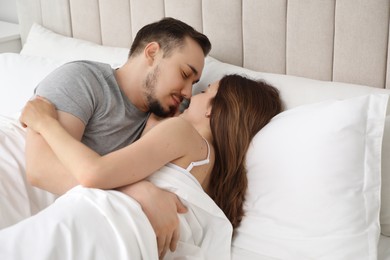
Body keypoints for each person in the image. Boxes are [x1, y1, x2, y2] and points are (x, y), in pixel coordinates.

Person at [13, 74, 282, 259]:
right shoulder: (212, 177)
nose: (191, 96)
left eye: (204, 91)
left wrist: (45, 123)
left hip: (104, 223)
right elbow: (156, 174)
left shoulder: (183, 133)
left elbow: (94, 172)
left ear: (212, 109)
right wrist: (153, 127)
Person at [23, 17, 211, 256]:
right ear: (152, 53)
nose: (187, 93)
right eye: (184, 73)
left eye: (195, 84)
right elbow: (40, 169)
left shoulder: (164, 119)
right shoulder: (82, 79)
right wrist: (136, 191)